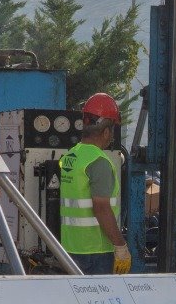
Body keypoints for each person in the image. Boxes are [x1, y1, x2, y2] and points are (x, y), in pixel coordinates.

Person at [57, 92, 132, 274]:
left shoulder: (71, 156)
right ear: (106, 132)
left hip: (70, 248)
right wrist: (120, 246)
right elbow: (101, 208)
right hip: (95, 252)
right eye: (111, 131)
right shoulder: (99, 162)